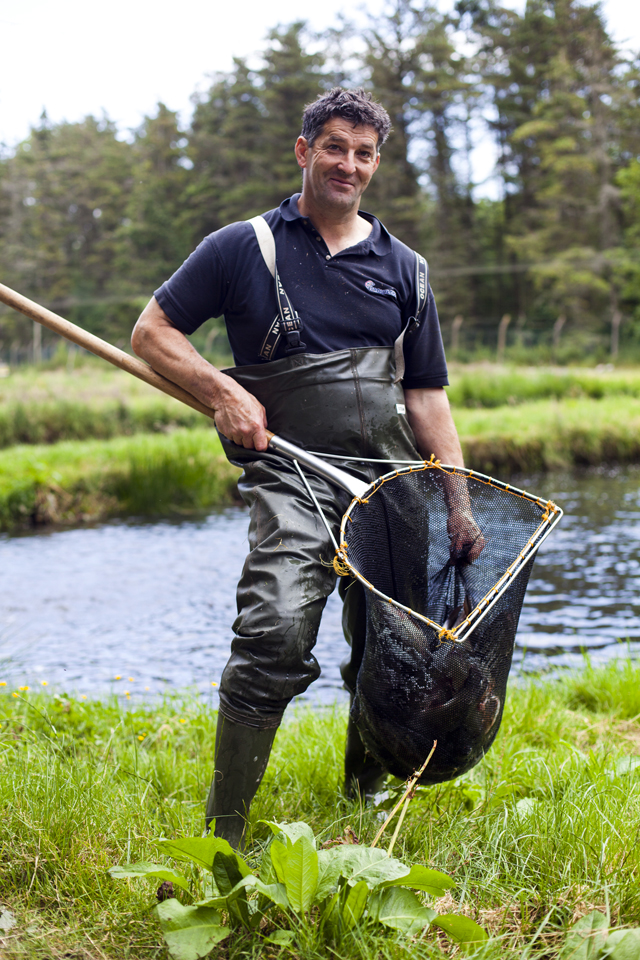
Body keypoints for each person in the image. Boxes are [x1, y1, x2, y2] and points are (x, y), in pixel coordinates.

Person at [131, 87, 482, 848]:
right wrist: (222, 390)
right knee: (275, 630)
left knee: (395, 649)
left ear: (376, 164)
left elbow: (426, 397)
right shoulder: (241, 247)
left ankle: (361, 800)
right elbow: (152, 333)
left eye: (363, 154)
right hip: (293, 476)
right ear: (304, 151)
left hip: (391, 476)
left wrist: (456, 501)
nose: (348, 165)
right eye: (335, 147)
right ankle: (224, 839)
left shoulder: (407, 268)